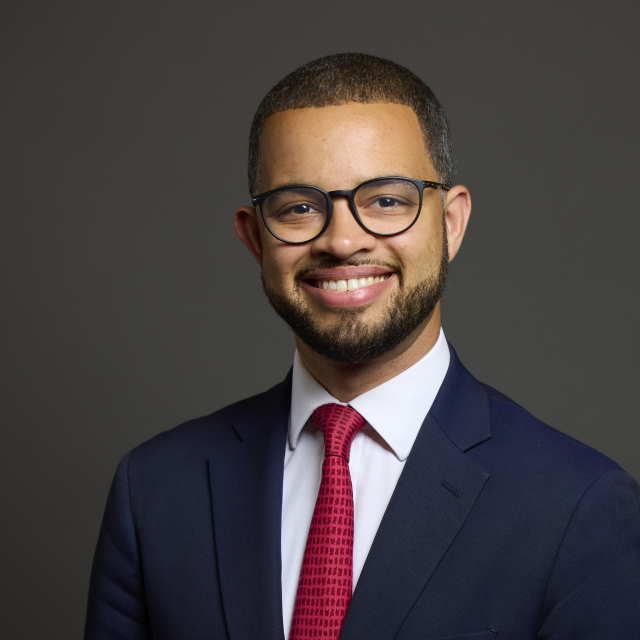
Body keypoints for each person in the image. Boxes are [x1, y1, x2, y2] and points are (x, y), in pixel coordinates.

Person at [84, 53, 640, 640]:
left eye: (386, 201)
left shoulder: (579, 506)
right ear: (254, 238)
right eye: (299, 207)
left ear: (450, 223)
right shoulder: (155, 490)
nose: (343, 240)